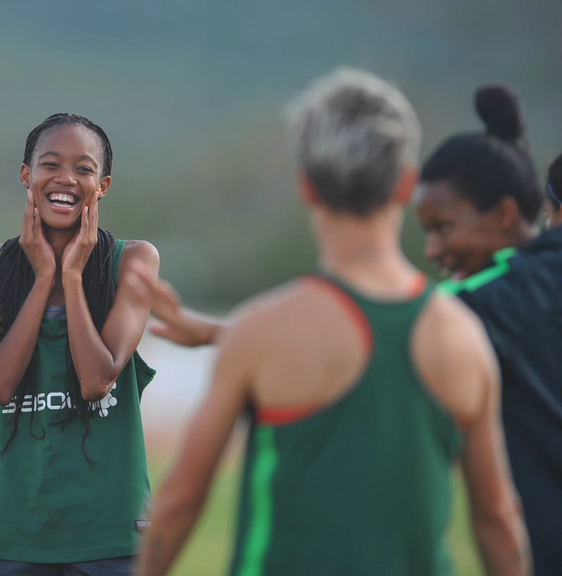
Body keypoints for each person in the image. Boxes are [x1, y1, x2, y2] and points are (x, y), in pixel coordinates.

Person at [133, 69, 529, 576]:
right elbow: (497, 521)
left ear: (308, 188)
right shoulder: (462, 337)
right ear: (406, 184)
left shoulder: (262, 332)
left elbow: (181, 500)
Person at [0, 113, 159, 575]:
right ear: (26, 175)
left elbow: (96, 380)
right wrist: (41, 279)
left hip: (108, 529)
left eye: (84, 169)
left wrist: (71, 277)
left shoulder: (132, 260)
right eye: (50, 164)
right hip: (11, 527)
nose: (66, 179)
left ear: (103, 186)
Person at [414, 88, 562, 576]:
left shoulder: (499, 301)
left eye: (442, 227)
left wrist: (226, 335)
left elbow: (383, 324)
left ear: (504, 214)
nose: (432, 250)